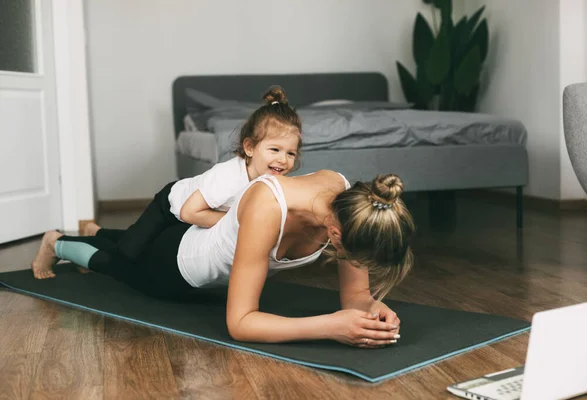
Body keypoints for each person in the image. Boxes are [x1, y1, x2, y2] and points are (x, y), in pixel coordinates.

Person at [31, 171, 415, 348]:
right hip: (176, 266)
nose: (353, 262)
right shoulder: (271, 207)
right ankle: (58, 242)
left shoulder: (355, 208)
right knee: (113, 265)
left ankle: (97, 229)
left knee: (127, 244)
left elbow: (356, 296)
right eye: (354, 254)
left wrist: (373, 310)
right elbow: (241, 324)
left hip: (203, 239)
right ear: (337, 234)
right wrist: (330, 327)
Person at [88, 85, 302, 261]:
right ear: (250, 147)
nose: (283, 160)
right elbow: (189, 213)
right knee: (128, 253)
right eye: (275, 150)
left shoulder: (272, 182)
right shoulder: (228, 177)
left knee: (146, 245)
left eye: (291, 153)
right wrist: (236, 220)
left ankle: (98, 232)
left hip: (193, 215)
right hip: (171, 206)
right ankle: (76, 240)